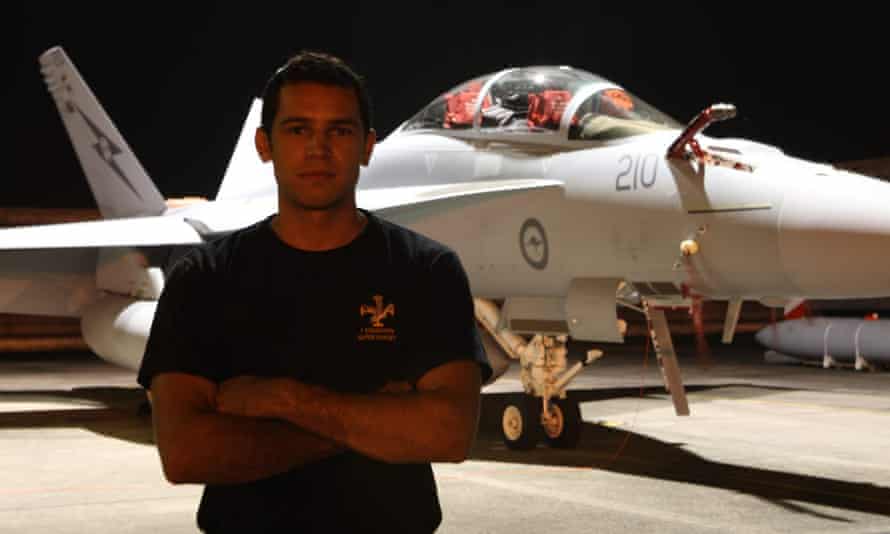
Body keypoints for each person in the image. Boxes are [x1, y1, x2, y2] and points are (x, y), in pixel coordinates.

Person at [137, 51, 491, 533]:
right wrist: (375, 421)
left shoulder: (426, 271)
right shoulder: (205, 278)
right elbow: (186, 454)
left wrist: (285, 402)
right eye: (298, 129)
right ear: (265, 144)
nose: (319, 150)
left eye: (340, 131)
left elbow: (447, 435)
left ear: (367, 147)